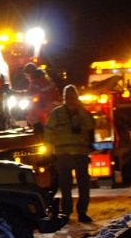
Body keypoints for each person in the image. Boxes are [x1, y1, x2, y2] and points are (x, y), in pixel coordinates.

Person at [44, 85, 95, 223]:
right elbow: (48, 131)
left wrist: (81, 110)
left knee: (83, 185)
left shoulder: (83, 113)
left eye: (73, 97)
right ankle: (66, 213)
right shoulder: (57, 113)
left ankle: (82, 212)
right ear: (64, 98)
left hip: (80, 154)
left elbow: (91, 125)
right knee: (65, 186)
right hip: (63, 154)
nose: (71, 100)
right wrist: (51, 149)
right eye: (69, 97)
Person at [24, 63, 61, 131]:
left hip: (47, 103)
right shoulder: (44, 78)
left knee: (31, 113)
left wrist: (17, 94)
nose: (27, 78)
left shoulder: (34, 80)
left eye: (26, 75)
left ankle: (39, 131)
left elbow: (30, 93)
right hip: (54, 102)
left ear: (29, 73)